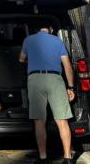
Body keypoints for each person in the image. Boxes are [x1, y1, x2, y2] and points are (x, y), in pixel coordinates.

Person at [20, 24, 75, 164]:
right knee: (62, 121)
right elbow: (67, 65)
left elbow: (21, 59)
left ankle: (43, 157)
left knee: (39, 121)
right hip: (55, 79)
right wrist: (70, 87)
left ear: (38, 29)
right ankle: (68, 158)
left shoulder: (28, 39)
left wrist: (32, 60)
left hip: (35, 79)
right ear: (50, 29)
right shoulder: (57, 41)